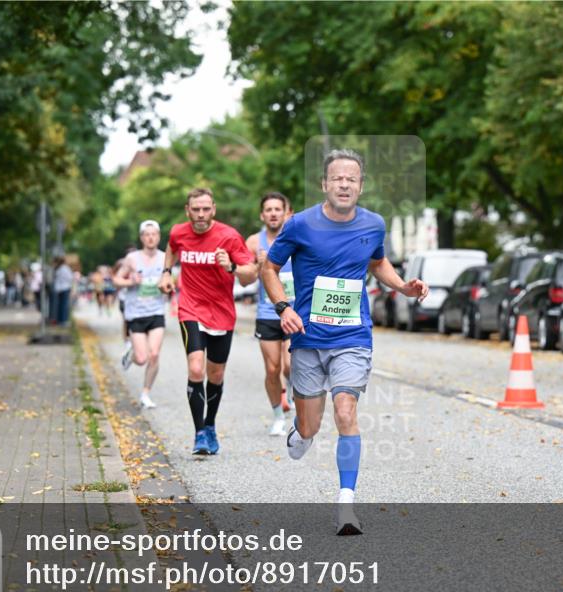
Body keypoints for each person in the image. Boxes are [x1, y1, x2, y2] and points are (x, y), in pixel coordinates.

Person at [261, 149, 428, 535]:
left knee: (346, 410)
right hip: (306, 338)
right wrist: (283, 307)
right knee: (309, 427)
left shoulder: (374, 224)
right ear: (324, 184)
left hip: (353, 336)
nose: (344, 184)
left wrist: (403, 285)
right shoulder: (300, 225)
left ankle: (346, 504)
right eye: (337, 178)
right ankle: (299, 433)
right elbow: (269, 268)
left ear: (361, 185)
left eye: (351, 179)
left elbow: (376, 262)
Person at [157, 187, 256, 455]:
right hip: (190, 308)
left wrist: (232, 267)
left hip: (222, 312)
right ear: (187, 210)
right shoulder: (179, 232)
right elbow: (171, 248)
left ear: (213, 209)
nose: (200, 215)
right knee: (196, 368)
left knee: (216, 373)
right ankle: (199, 432)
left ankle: (210, 425)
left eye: (205, 209)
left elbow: (251, 275)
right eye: (195, 209)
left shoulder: (229, 237)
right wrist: (166, 272)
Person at [246, 192, 296, 436]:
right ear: (262, 215)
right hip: (267, 313)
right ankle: (278, 415)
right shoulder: (255, 242)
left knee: (290, 365)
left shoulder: (297, 237)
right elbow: (243, 279)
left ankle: (294, 391)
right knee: (272, 369)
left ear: (287, 213)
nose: (273, 213)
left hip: (293, 312)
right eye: (269, 209)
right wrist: (258, 265)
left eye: (278, 209)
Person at [114, 223, 167, 408]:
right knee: (142, 358)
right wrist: (130, 281)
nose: (150, 238)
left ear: (159, 236)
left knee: (154, 354)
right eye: (147, 234)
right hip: (135, 313)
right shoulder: (132, 258)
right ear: (142, 237)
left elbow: (172, 280)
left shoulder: (165, 258)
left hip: (156, 312)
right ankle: (131, 355)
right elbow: (116, 280)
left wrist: (168, 285)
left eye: (154, 234)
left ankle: (146, 393)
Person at [114, 245, 137, 365]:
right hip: (124, 298)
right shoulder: (121, 264)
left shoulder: (141, 263)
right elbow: (115, 279)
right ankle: (127, 342)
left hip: (138, 300)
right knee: (126, 320)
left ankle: (135, 343)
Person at [52, 256, 74, 325]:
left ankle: (60, 319)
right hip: (65, 287)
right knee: (64, 305)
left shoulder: (59, 268)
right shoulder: (65, 268)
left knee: (60, 305)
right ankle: (63, 320)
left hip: (59, 288)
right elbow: (70, 278)